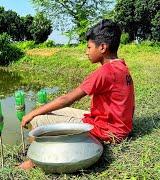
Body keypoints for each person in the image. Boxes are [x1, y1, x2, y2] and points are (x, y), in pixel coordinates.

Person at [19, 19, 135, 170]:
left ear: (102, 47)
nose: (86, 51)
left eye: (88, 47)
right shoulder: (121, 66)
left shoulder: (104, 72)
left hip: (108, 131)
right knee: (52, 110)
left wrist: (32, 113)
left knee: (38, 118)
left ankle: (35, 160)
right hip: (118, 125)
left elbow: (66, 99)